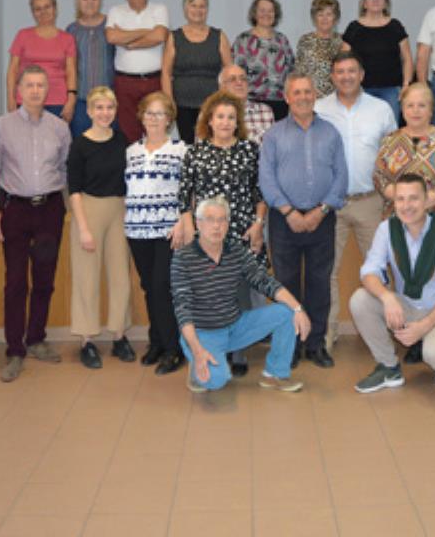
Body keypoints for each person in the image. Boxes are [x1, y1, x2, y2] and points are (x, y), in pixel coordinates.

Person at [172, 195, 311, 393]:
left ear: (228, 224)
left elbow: (265, 282)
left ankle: (275, 375)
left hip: (235, 326)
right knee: (217, 381)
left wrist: (298, 308)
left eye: (222, 220)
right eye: (210, 219)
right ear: (198, 223)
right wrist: (197, 348)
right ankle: (196, 360)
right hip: (202, 332)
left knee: (287, 312)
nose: (217, 226)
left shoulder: (236, 251)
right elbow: (182, 308)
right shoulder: (183, 258)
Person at [0, 65, 72, 382]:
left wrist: (61, 204)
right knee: (15, 282)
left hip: (50, 208)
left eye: (41, 85)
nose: (35, 90)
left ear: (47, 90)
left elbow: (64, 169)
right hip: (16, 210)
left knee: (45, 278)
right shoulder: (2, 126)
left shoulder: (59, 127)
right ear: (19, 90)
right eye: (29, 85)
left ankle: (36, 337)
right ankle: (14, 350)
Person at [260, 73, 348, 367]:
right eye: (296, 92)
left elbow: (341, 178)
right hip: (284, 221)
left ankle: (316, 345)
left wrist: (319, 212)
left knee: (319, 283)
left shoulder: (331, 133)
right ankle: (291, 345)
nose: (302, 97)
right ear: (286, 97)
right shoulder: (273, 135)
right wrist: (289, 212)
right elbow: (267, 180)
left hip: (322, 218)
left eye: (307, 92)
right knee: (286, 283)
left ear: (315, 96)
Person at [350, 174, 435, 391]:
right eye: (400, 199)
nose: (407, 206)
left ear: (426, 201)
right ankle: (388, 367)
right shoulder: (387, 229)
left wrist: (424, 326)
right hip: (408, 304)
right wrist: (387, 298)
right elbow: (369, 272)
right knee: (360, 300)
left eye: (413, 198)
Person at [178, 90, 267, 376]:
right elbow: (184, 198)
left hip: (241, 231)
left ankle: (238, 352)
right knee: (211, 294)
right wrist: (191, 230)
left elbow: (259, 193)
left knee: (241, 294)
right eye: (220, 117)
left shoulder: (250, 150)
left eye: (231, 117)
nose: (226, 122)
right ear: (210, 120)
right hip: (208, 234)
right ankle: (214, 348)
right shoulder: (195, 152)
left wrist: (258, 224)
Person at [314, 51, 397, 352]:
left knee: (378, 270)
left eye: (352, 71)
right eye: (339, 71)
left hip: (370, 201)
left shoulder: (382, 109)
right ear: (332, 76)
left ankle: (385, 332)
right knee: (327, 271)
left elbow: (392, 156)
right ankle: (327, 333)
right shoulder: (318, 108)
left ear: (361, 74)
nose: (346, 76)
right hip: (330, 204)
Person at [67, 86, 135, 369]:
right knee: (87, 277)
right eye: (99, 108)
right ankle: (87, 340)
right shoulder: (79, 144)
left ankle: (119, 335)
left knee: (120, 275)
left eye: (109, 108)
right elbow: (74, 190)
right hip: (89, 210)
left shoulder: (121, 140)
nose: (104, 113)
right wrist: (83, 228)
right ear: (89, 111)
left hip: (119, 210)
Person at [124, 92, 189, 375]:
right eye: (149, 113)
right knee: (149, 287)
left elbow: (190, 191)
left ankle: (174, 349)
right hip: (137, 229)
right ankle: (157, 343)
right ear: (141, 116)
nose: (153, 118)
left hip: (168, 229)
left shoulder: (181, 149)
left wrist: (183, 222)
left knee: (164, 286)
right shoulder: (131, 151)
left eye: (160, 113)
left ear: (169, 119)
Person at [374, 82, 435, 231]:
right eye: (410, 105)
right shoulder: (389, 140)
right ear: (402, 110)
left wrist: (427, 200)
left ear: (431, 110)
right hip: (399, 221)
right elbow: (379, 177)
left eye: (422, 105)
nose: (416, 111)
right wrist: (405, 202)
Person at [160, 0, 232, 143]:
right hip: (182, 105)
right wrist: (169, 101)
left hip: (212, 105)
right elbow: (166, 72)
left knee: (211, 146)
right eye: (193, 5)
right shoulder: (174, 37)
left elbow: (229, 72)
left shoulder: (219, 36)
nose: (198, 10)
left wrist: (225, 101)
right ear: (185, 9)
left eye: (202, 6)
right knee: (187, 146)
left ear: (207, 9)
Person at [106, 0, 170, 142]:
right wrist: (145, 31)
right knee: (128, 135)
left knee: (155, 132)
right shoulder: (115, 11)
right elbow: (112, 37)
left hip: (153, 82)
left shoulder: (159, 9)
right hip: (125, 83)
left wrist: (129, 42)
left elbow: (159, 36)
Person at [341, 0, 412, 120]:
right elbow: (343, 61)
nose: (376, 0)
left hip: (391, 91)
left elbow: (408, 59)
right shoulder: (354, 28)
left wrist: (406, 85)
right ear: (364, 2)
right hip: (361, 90)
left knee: (390, 136)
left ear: (386, 2)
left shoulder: (395, 26)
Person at [7, 0, 78, 123]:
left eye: (47, 7)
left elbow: (71, 71)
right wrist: (11, 99)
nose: (43, 12)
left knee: (55, 142)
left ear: (55, 9)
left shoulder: (67, 38)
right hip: (26, 99)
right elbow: (12, 70)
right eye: (37, 9)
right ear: (33, 13)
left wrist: (71, 100)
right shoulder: (22, 35)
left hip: (58, 101)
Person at [232, 0, 294, 121]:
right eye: (262, 10)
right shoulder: (243, 40)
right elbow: (235, 73)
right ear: (254, 13)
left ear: (275, 14)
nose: (266, 14)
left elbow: (291, 71)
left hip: (280, 104)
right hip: (251, 104)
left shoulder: (282, 40)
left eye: (271, 11)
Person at [66, 0, 115, 137]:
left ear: (100, 1)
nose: (90, 2)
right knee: (81, 144)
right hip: (81, 102)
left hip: (108, 101)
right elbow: (68, 67)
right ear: (77, 1)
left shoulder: (111, 26)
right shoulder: (71, 30)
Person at [294, 0, 344, 98]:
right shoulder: (305, 41)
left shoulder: (343, 42)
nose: (324, 18)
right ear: (314, 17)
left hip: (336, 101)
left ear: (336, 17)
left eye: (329, 14)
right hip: (309, 100)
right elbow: (299, 73)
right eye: (320, 14)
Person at [217, 64, 274, 145]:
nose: (239, 82)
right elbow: (201, 150)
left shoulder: (265, 111)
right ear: (222, 87)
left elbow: (274, 148)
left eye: (243, 79)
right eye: (232, 79)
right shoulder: (211, 113)